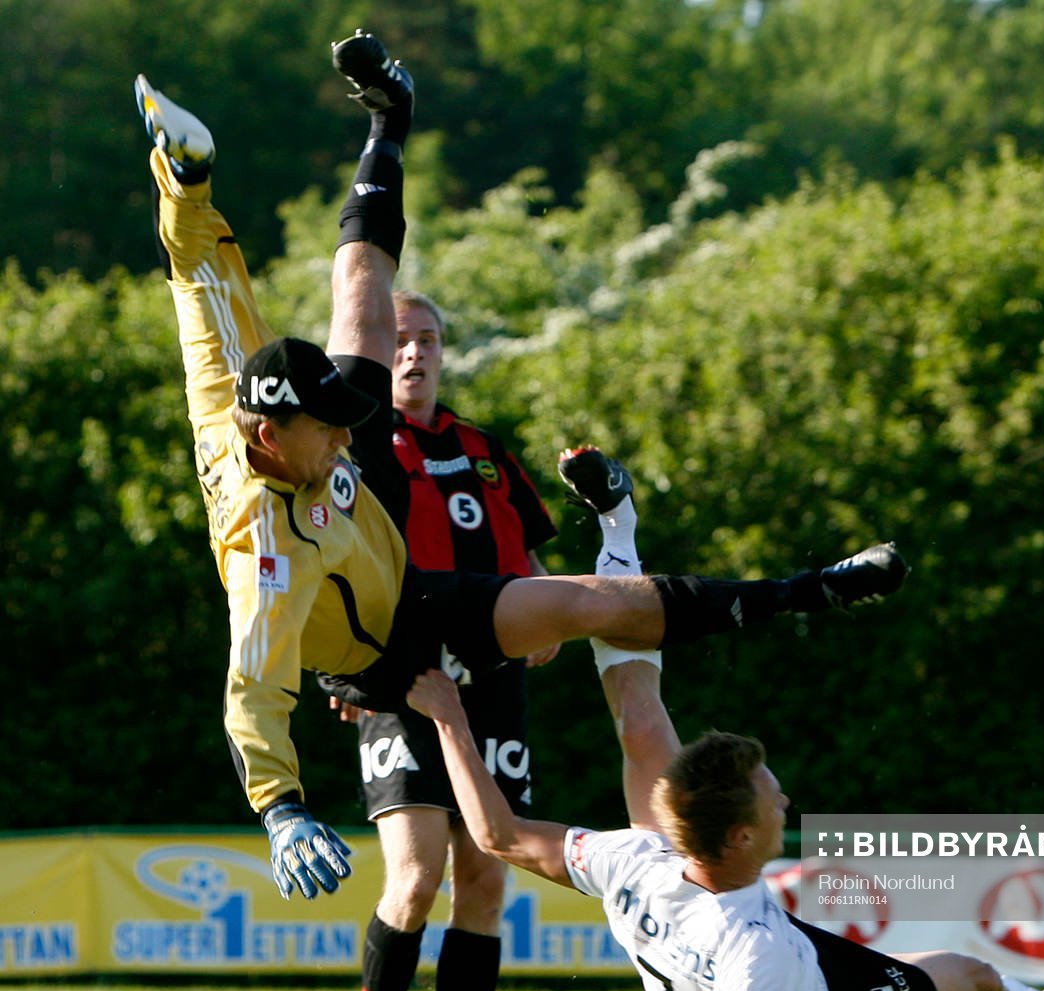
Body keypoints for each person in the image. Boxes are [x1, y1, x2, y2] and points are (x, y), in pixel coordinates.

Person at [134, 37, 909, 920]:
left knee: (363, 294)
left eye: (352, 417)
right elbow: (252, 695)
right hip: (380, 651)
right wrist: (280, 810)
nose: (354, 427)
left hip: (398, 566)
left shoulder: (270, 405)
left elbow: (200, 278)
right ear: (270, 437)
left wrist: (184, 181)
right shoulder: (265, 555)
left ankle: (391, 116)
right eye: (332, 426)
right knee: (465, 816)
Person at [403, 449, 1044, 991]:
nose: (785, 802)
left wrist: (448, 718)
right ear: (737, 838)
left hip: (704, 924)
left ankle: (617, 524)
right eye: (771, 800)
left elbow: (497, 834)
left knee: (638, 719)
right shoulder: (752, 950)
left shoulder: (634, 855)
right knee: (974, 980)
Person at [341, 289, 561, 991]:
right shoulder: (356, 447)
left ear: (443, 352)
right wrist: (344, 668)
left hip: (493, 693)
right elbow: (330, 569)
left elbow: (534, 566)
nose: (414, 355)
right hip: (404, 682)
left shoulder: (485, 453)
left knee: (483, 880)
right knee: (418, 874)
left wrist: (550, 622)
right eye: (399, 341)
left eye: (427, 340)